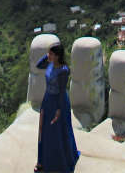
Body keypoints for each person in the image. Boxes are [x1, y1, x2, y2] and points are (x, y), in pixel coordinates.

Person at [35, 42, 80, 172]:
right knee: (44, 131)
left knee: (59, 132)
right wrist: (47, 56)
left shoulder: (63, 70)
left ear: (58, 56)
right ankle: (42, 161)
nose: (48, 55)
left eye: (51, 54)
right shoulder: (49, 63)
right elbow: (38, 65)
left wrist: (58, 112)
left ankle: (61, 162)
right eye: (49, 53)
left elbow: (61, 91)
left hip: (58, 103)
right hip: (47, 100)